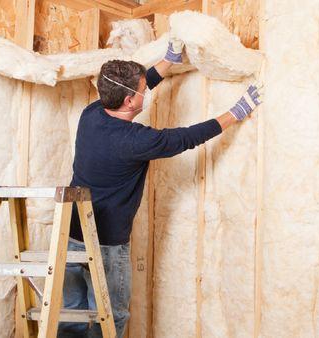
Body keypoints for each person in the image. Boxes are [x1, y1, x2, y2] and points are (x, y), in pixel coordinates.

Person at [57, 37, 262, 338]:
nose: (145, 92)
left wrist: (168, 61)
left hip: (71, 233)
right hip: (107, 245)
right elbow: (188, 137)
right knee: (111, 317)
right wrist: (237, 111)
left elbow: (133, 88)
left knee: (71, 313)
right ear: (129, 102)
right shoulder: (136, 140)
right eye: (142, 91)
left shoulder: (92, 114)